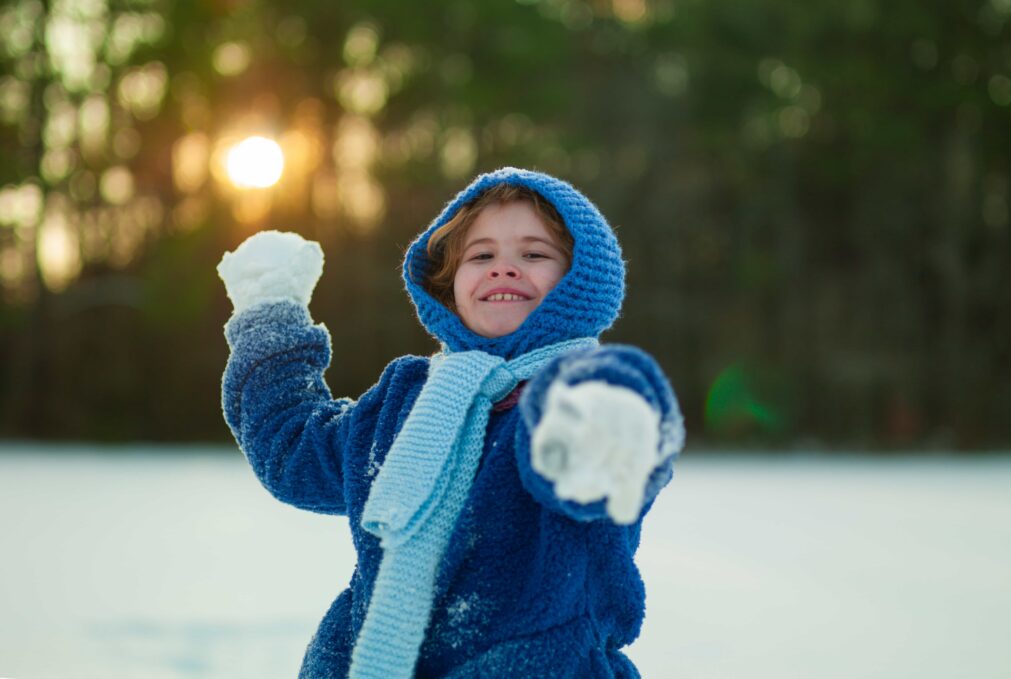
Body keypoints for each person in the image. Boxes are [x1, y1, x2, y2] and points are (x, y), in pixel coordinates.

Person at [217, 167, 685, 678]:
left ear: (581, 281)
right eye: (481, 256)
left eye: (533, 254)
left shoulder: (581, 400)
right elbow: (296, 453)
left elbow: (608, 467)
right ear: (448, 284)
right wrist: (270, 312)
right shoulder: (406, 401)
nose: (504, 269)